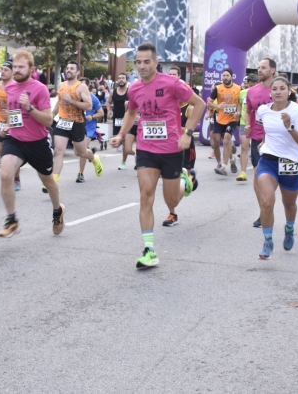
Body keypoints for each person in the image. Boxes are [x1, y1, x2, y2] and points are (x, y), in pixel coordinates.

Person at [109, 42, 205, 268]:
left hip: (172, 149)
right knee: (146, 194)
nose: (141, 66)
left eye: (146, 62)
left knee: (171, 200)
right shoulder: (134, 88)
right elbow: (131, 111)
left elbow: (199, 104)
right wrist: (122, 134)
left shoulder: (172, 83)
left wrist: (188, 133)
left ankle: (185, 181)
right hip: (146, 149)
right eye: (138, 62)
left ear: (155, 62)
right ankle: (149, 250)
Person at [0, 50, 64, 237]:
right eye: (15, 67)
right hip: (15, 140)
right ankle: (12, 220)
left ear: (31, 69)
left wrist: (30, 107)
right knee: (4, 174)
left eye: (21, 67)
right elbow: (13, 113)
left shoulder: (40, 89)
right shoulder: (9, 88)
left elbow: (48, 121)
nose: (16, 70)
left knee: (48, 182)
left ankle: (58, 210)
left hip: (38, 143)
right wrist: (7, 127)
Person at [254, 76, 298, 258]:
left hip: (291, 163)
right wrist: (263, 142)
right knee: (266, 201)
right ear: (270, 92)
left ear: (289, 91)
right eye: (275, 89)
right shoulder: (263, 110)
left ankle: (289, 229)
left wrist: (289, 126)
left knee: (289, 204)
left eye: (282, 89)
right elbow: (267, 129)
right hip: (269, 160)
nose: (278, 92)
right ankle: (268, 240)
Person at [51, 61, 103, 185]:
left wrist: (72, 100)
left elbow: (88, 105)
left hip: (77, 123)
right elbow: (60, 102)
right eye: (67, 68)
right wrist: (52, 115)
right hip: (63, 121)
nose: (69, 70)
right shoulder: (61, 85)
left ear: (78, 72)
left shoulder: (81, 87)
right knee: (58, 151)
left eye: (72, 68)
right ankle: (54, 181)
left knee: (80, 152)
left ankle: (94, 158)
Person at [245, 58, 275, 228]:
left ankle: (269, 205)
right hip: (257, 138)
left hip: (277, 139)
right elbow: (248, 111)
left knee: (274, 178)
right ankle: (263, 211)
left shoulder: (279, 89)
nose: (259, 70)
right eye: (258, 68)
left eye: (263, 67)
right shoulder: (251, 92)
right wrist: (248, 124)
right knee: (258, 175)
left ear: (272, 70)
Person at [0, 63, 23, 190]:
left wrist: (11, 116)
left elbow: (21, 107)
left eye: (6, 70)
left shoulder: (17, 87)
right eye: (2, 69)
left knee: (12, 152)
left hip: (13, 124)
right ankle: (11, 156)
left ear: (12, 72)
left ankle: (16, 178)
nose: (3, 72)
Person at [209, 68, 241, 176]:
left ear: (231, 76)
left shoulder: (238, 88)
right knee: (216, 142)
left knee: (227, 139)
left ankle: (224, 166)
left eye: (227, 75)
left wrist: (238, 112)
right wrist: (218, 106)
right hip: (219, 119)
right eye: (223, 76)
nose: (225, 77)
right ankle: (223, 162)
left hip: (232, 119)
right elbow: (209, 103)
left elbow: (240, 103)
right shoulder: (218, 88)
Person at [77, 79, 104, 182]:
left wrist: (92, 116)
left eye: (83, 85)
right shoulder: (75, 97)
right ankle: (92, 154)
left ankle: (81, 173)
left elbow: (101, 113)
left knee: (82, 149)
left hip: (89, 127)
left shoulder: (93, 99)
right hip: (77, 125)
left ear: (88, 86)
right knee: (80, 150)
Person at [237, 74, 258, 182]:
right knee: (244, 147)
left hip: (257, 124)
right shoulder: (242, 93)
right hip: (243, 122)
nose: (250, 88)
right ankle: (243, 172)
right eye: (248, 85)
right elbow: (240, 104)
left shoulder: (260, 93)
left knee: (256, 149)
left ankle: (258, 172)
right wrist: (238, 112)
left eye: (253, 86)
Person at [107, 73, 130, 169]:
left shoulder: (130, 92)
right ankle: (135, 154)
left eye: (123, 78)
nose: (121, 80)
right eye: (119, 78)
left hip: (128, 119)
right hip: (117, 119)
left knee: (125, 143)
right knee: (116, 143)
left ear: (126, 80)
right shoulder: (113, 92)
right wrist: (108, 111)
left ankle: (123, 162)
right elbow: (108, 103)